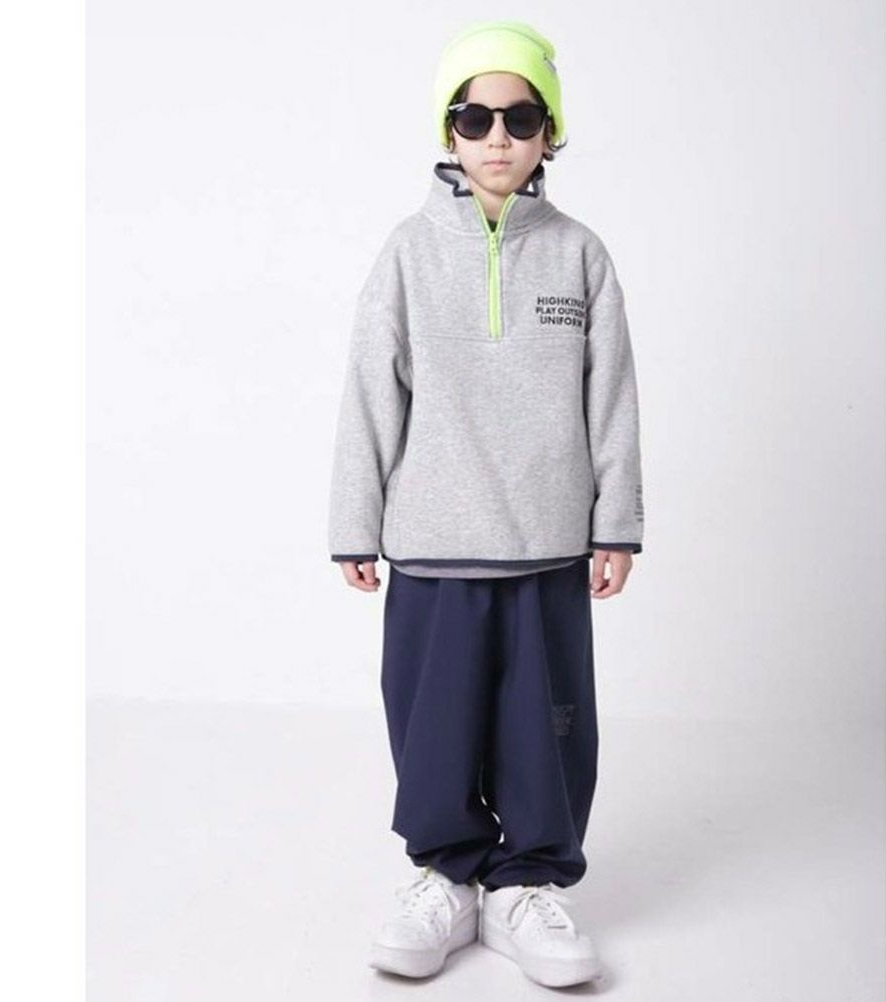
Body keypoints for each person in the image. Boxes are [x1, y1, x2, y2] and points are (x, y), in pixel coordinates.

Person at [327, 20, 645, 988]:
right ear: (449, 130)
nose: (497, 136)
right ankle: (446, 878)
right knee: (434, 725)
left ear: (551, 131)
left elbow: (612, 397)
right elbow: (370, 393)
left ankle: (526, 886)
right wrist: (354, 524)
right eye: (475, 117)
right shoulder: (408, 253)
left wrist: (617, 523)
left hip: (549, 545)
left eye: (520, 117)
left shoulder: (581, 255)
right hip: (433, 543)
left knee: (548, 728)